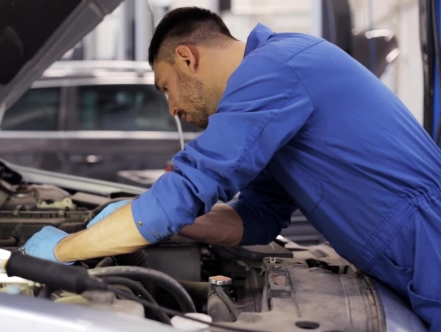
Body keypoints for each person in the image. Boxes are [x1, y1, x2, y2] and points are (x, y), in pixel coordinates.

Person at [22, 6, 441, 330]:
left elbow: (190, 187)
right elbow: (257, 217)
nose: (173, 109)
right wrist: (175, 224)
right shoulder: (277, 76)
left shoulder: (276, 68)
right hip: (411, 257)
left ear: (186, 58)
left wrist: (65, 250)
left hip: (430, 243)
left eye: (166, 88)